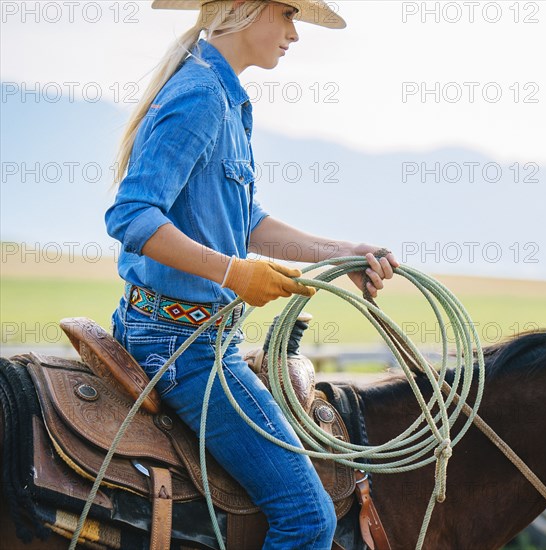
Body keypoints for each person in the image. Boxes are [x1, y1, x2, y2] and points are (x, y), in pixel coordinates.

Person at [105, 1, 399, 547]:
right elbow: (132, 215)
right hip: (181, 347)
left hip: (198, 336)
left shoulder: (224, 99)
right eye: (286, 13)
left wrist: (343, 251)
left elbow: (247, 221)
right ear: (242, 9)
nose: (293, 33)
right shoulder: (200, 98)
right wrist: (235, 275)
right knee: (308, 519)